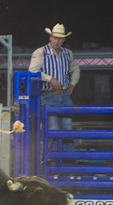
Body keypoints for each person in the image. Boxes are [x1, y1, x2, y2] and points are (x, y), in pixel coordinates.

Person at [29, 23, 80, 151]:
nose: (58, 41)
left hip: (63, 93)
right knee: (53, 127)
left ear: (64, 39)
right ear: (50, 38)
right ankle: (54, 159)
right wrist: (49, 78)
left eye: (61, 38)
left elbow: (75, 69)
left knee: (67, 126)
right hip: (47, 94)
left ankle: (67, 158)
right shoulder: (41, 52)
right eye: (55, 38)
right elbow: (32, 70)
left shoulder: (67, 53)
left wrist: (72, 84)